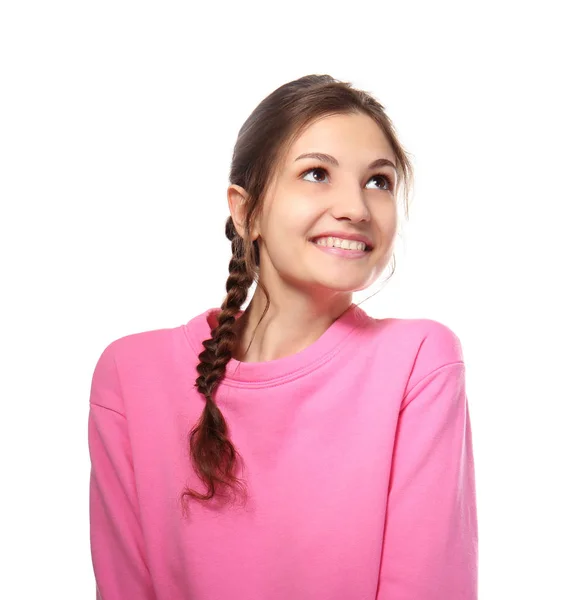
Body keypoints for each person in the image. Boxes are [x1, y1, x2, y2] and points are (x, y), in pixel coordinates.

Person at [88, 74, 478, 600]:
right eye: (317, 173)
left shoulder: (418, 363)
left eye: (379, 181)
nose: (356, 208)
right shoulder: (130, 375)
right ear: (246, 211)